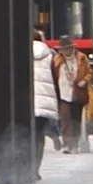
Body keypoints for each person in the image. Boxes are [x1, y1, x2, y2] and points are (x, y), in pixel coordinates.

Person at [52, 31, 86, 155]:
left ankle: (75, 144)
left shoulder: (81, 58)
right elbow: (53, 75)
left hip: (77, 93)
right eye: (62, 49)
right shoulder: (57, 60)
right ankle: (67, 144)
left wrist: (84, 80)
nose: (64, 51)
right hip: (63, 93)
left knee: (76, 120)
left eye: (66, 48)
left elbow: (89, 72)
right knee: (65, 120)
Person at [31, 16, 57, 174]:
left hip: (27, 102)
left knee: (25, 136)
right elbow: (54, 77)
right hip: (44, 103)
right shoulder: (50, 54)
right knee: (38, 138)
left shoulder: (20, 51)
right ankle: (35, 169)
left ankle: (25, 169)